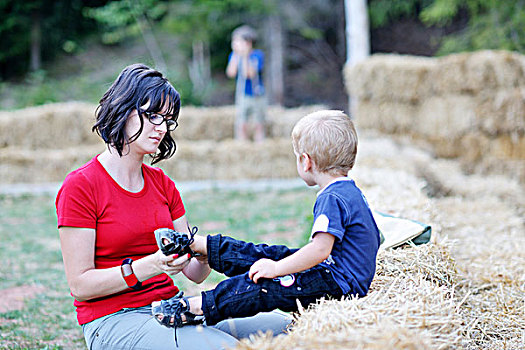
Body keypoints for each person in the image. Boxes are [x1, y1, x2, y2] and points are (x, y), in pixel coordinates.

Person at [55, 63, 291, 350]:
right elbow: (80, 285)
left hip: (173, 308)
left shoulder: (162, 183)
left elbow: (192, 271)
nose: (162, 128)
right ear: (122, 108)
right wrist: (153, 264)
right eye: (152, 115)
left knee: (289, 331)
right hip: (113, 320)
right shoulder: (81, 186)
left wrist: (205, 253)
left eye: (167, 119)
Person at [152, 110, 381, 330]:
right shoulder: (349, 191)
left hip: (339, 284)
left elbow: (320, 250)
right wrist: (277, 263)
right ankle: (201, 246)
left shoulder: (331, 197)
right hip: (334, 273)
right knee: (267, 254)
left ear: (305, 161)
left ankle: (198, 306)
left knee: (265, 285)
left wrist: (278, 269)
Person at [226, 24, 266, 142]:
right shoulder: (234, 56)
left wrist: (244, 56)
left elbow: (249, 74)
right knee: (241, 121)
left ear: (248, 43)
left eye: (238, 41)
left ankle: (260, 143)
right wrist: (236, 56)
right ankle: (242, 143)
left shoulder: (257, 55)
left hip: (257, 93)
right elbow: (231, 73)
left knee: (258, 122)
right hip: (242, 94)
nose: (235, 43)